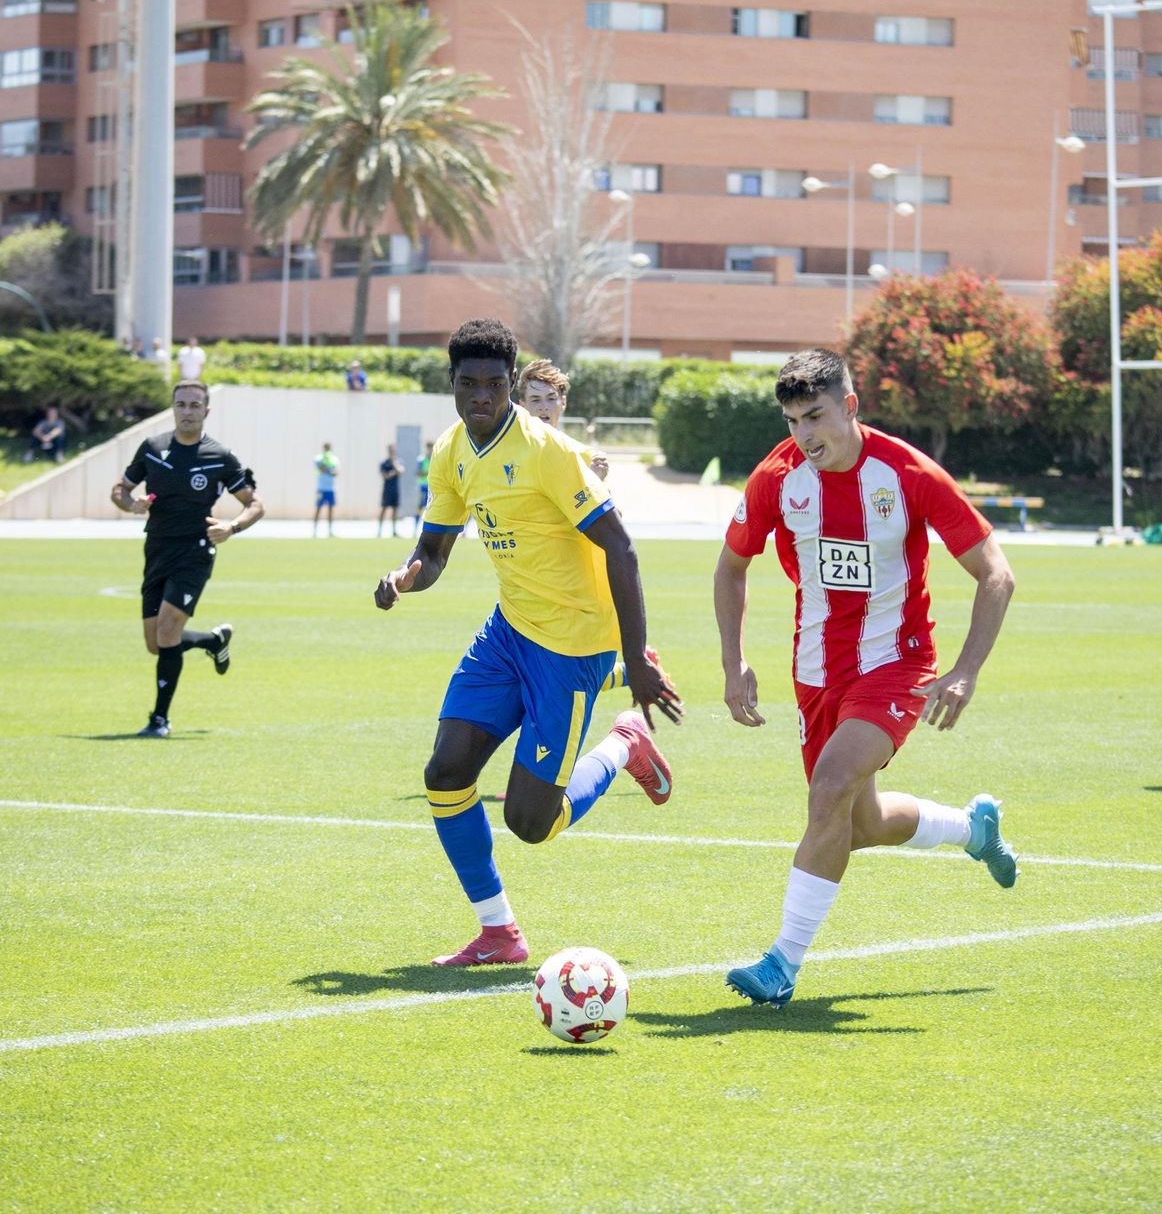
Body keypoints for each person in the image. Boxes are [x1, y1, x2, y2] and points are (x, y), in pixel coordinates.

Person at [715, 348, 1019, 1008]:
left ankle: (781, 963)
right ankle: (974, 829)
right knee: (856, 820)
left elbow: (996, 573)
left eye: (816, 416)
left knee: (828, 789)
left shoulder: (907, 473)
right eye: (793, 420)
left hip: (896, 663)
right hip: (815, 672)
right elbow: (730, 566)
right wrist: (733, 659)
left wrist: (964, 671)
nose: (804, 435)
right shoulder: (778, 477)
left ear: (849, 406)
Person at [374, 317, 682, 967]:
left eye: (493, 384)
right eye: (468, 384)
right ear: (451, 384)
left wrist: (635, 660)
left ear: (511, 383)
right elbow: (433, 550)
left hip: (572, 647)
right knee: (446, 770)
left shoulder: (548, 451)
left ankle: (623, 746)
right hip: (509, 631)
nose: (481, 396)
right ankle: (499, 933)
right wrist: (405, 577)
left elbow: (621, 552)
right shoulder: (452, 449)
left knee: (530, 822)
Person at [110, 382, 264, 738]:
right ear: (173, 408)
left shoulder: (220, 456)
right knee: (156, 643)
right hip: (157, 549)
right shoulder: (152, 449)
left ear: (206, 411)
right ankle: (213, 641)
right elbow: (120, 490)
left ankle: (159, 720)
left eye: (195, 405)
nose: (187, 411)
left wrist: (232, 526)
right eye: (181, 404)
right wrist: (130, 504)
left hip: (195, 551)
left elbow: (255, 504)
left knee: (167, 630)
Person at [514, 358, 669, 697]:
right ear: (521, 404)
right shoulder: (510, 453)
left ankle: (626, 737)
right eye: (535, 399)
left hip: (574, 594)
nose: (543, 407)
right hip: (528, 590)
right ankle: (626, 677)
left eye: (550, 398)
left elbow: (614, 533)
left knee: (553, 683)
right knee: (533, 681)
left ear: (563, 402)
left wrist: (591, 484)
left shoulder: (583, 459)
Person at [312, 442, 339, 536]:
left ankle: (330, 531)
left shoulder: (334, 459)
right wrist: (329, 469)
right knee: (318, 509)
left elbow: (336, 473)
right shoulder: (319, 458)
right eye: (326, 448)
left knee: (331, 510)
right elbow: (321, 468)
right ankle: (314, 531)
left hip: (331, 488)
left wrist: (329, 470)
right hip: (321, 488)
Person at [377, 444, 404, 537]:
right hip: (387, 489)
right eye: (390, 450)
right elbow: (385, 476)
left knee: (395, 510)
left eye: (393, 450)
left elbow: (401, 471)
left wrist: (394, 464)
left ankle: (394, 531)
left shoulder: (398, 461)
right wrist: (393, 472)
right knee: (384, 509)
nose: (392, 452)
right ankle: (379, 531)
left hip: (395, 489)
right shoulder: (384, 463)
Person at [412, 439, 433, 536]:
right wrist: (429, 473)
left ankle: (429, 531)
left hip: (432, 487)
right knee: (419, 508)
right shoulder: (421, 459)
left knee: (431, 509)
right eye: (429, 448)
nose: (430, 450)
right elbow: (418, 472)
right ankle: (415, 529)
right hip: (423, 487)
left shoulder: (435, 458)